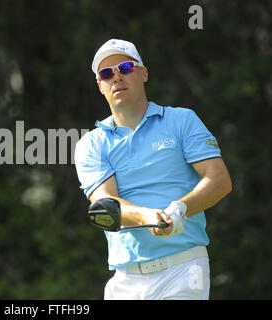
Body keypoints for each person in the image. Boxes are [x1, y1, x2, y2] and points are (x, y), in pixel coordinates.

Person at [74, 39, 232, 300]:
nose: (117, 77)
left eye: (125, 67)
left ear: (144, 73)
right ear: (100, 85)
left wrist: (180, 209)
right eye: (106, 73)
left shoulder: (181, 120)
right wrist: (150, 216)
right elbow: (106, 205)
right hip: (125, 281)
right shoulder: (91, 144)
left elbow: (219, 179)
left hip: (183, 269)